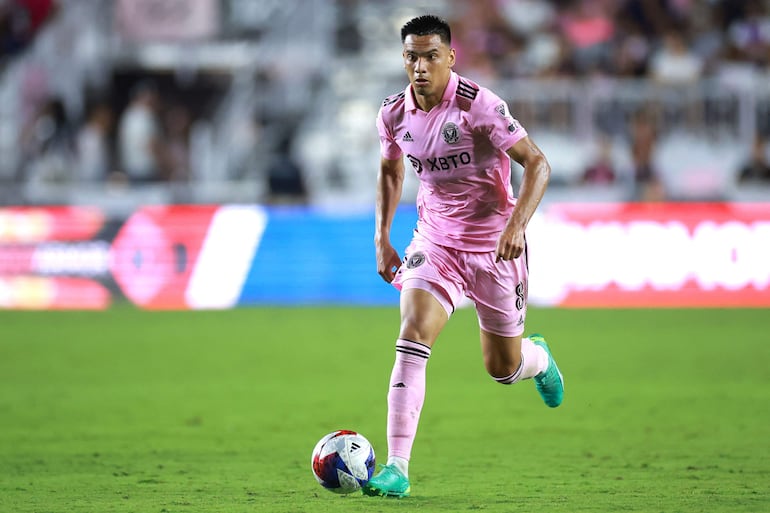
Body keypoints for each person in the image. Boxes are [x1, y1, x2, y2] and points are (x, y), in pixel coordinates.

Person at [364, 15, 564, 499]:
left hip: (496, 246)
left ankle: (537, 360)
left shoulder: (480, 107)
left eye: (431, 55)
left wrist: (517, 225)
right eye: (412, 55)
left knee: (503, 368)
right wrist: (381, 237)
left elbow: (538, 163)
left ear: (450, 58)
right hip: (435, 242)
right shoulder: (392, 115)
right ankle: (397, 468)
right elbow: (391, 174)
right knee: (412, 332)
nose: (420, 65)